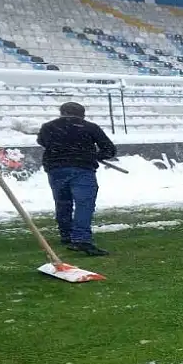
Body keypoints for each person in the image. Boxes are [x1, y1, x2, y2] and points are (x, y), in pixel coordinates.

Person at [36, 102, 117, 257]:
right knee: (84, 204)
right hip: (82, 168)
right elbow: (109, 150)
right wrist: (94, 155)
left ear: (61, 112)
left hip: (56, 169)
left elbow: (42, 142)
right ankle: (81, 238)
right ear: (82, 114)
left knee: (63, 202)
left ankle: (66, 235)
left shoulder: (48, 127)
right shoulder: (90, 127)